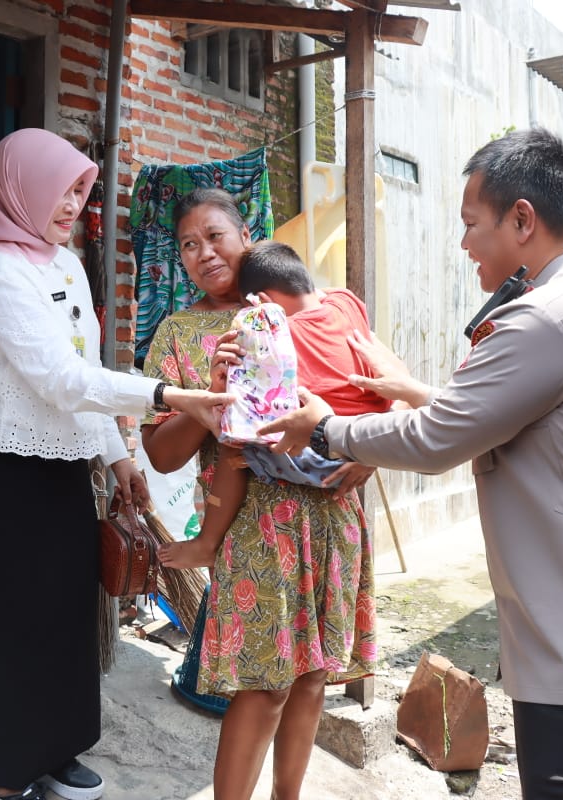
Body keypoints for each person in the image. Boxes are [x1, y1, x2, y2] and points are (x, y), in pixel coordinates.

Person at [262, 128, 563, 800]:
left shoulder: (544, 319)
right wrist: (412, 395)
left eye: (471, 225)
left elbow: (436, 440)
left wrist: (325, 428)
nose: (465, 246)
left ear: (523, 219)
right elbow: (505, 424)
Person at [0, 129, 230, 800]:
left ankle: (59, 746)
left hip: (64, 459)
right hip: (6, 462)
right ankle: (8, 762)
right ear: (19, 189)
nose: (73, 204)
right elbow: (57, 379)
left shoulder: (64, 263)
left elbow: (85, 370)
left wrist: (116, 454)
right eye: (62, 189)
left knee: (70, 605)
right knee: (19, 610)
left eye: (82, 190)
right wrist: (166, 395)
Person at [141, 188, 377, 800]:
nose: (203, 253)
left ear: (247, 238)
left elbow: (366, 392)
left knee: (311, 676)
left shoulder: (305, 308)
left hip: (332, 510)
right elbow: (163, 456)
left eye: (214, 235)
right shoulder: (179, 333)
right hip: (252, 520)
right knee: (265, 683)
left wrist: (368, 459)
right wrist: (211, 395)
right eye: (188, 245)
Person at [158, 239, 390, 570]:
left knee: (235, 444)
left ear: (260, 303)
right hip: (362, 446)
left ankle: (206, 542)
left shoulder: (281, 337)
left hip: (319, 461)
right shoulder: (346, 303)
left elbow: (258, 399)